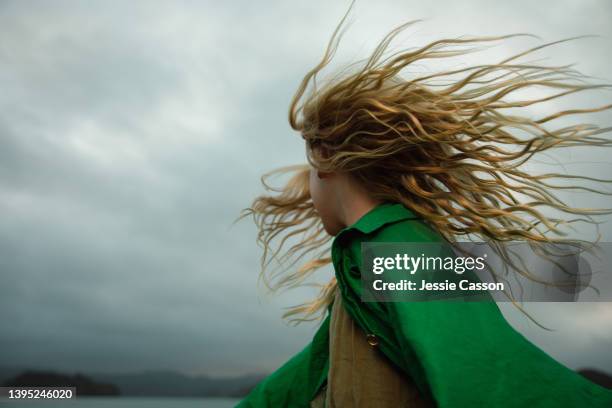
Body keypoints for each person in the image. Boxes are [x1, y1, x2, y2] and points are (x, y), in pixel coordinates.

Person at [235, 1, 612, 406]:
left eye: (307, 168)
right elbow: (305, 376)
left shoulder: (401, 249)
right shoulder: (366, 259)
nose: (307, 189)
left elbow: (487, 376)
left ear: (325, 157)